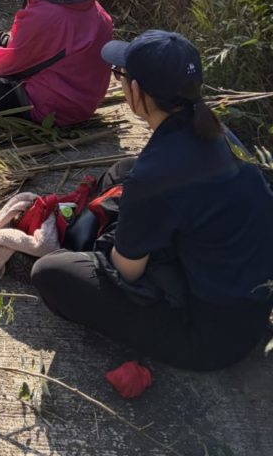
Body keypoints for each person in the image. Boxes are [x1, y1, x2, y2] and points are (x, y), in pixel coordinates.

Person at [31, 30, 273, 370]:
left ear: (135, 90)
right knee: (123, 169)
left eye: (120, 75)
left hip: (209, 336)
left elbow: (127, 270)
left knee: (52, 272)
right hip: (243, 295)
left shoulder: (157, 173)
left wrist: (112, 239)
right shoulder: (215, 129)